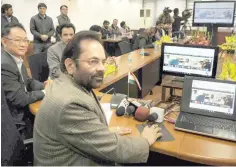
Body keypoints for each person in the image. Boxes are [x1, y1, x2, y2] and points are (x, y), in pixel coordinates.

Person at [34, 31, 162, 166]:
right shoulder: (69, 104)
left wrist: (99, 132)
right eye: (93, 61)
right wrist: (145, 141)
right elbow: (115, 149)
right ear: (70, 65)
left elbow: (77, 132)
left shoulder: (66, 83)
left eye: (103, 61)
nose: (102, 68)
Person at [1, 23, 47, 139]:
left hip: (24, 111)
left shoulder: (16, 58)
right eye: (17, 40)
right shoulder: (4, 64)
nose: (23, 44)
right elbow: (19, 98)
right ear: (4, 42)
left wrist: (45, 85)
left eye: (26, 40)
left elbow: (28, 82)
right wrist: (44, 93)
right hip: (16, 123)